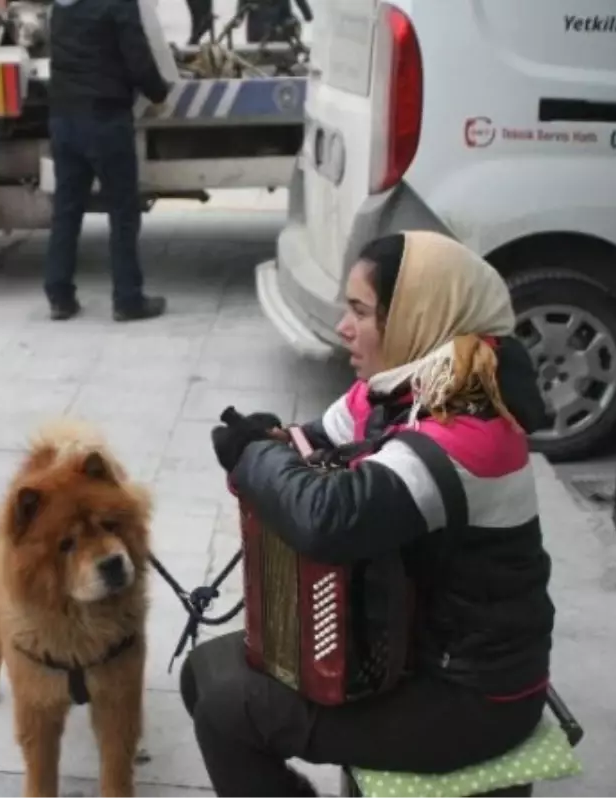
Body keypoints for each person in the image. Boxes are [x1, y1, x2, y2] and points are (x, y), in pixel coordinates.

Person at [188, 231, 556, 797]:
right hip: (403, 653)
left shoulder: (471, 429)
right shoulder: (399, 390)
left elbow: (330, 518)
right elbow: (311, 442)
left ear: (417, 315)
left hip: (469, 694)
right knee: (204, 671)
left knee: (224, 705)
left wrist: (255, 454)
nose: (344, 326)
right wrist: (267, 437)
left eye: (361, 311)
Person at [45, 0, 170, 322]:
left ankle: (59, 295)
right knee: (123, 211)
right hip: (105, 118)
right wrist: (159, 93)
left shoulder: (61, 5)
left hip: (63, 117)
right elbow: (137, 57)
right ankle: (128, 299)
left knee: (67, 209)